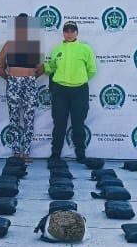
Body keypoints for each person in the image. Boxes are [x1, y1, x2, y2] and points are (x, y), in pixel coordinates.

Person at [41, 21, 97, 162]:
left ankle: (80, 154)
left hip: (80, 91)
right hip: (60, 91)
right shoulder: (57, 49)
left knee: (78, 124)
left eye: (72, 31)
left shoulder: (85, 49)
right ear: (63, 33)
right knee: (59, 124)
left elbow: (91, 70)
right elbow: (52, 68)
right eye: (67, 31)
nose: (70, 33)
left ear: (77, 33)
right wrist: (41, 67)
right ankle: (55, 153)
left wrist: (79, 80)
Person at [0, 14, 45, 162]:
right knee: (14, 118)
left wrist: (30, 78)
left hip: (29, 83)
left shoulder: (33, 46)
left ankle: (26, 153)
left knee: (29, 118)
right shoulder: (9, 44)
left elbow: (40, 68)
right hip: (14, 84)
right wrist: (11, 79)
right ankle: (16, 152)